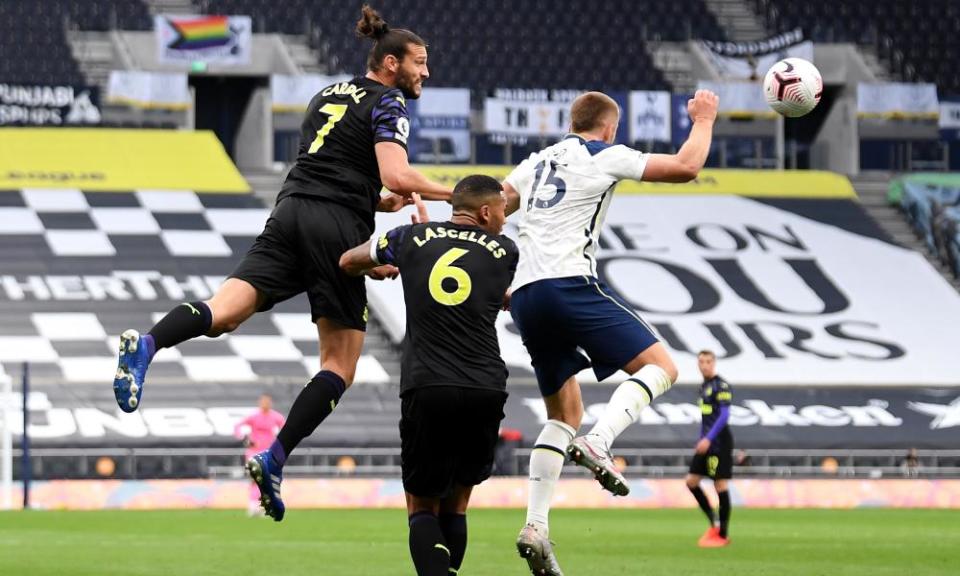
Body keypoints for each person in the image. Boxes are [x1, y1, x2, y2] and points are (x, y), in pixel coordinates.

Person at [111, 5, 453, 521]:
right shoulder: (390, 102)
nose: (425, 72)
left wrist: (375, 204)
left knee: (223, 312)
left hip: (291, 211)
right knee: (340, 364)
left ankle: (150, 342)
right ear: (389, 63)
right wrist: (459, 194)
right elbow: (398, 175)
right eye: (419, 63)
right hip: (334, 224)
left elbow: (338, 169)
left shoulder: (327, 93)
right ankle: (274, 457)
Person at [502, 89, 719, 575]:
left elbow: (494, 207)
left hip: (527, 298)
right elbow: (686, 167)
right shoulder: (603, 154)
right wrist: (703, 120)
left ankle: (536, 525)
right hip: (567, 283)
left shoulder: (534, 163)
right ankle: (600, 443)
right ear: (609, 127)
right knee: (662, 366)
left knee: (563, 413)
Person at [339, 175, 518, 576]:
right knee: (457, 504)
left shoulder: (408, 238)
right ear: (486, 212)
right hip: (485, 386)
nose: (505, 219)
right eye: (504, 211)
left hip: (429, 382)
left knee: (421, 507)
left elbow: (348, 261)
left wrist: (382, 265)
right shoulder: (506, 250)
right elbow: (489, 292)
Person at [685, 350, 734, 548]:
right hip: (706, 441)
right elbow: (707, 419)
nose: (704, 365)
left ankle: (722, 534)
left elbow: (724, 416)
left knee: (720, 485)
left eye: (707, 361)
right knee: (691, 482)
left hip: (720, 442)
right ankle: (713, 521)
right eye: (701, 362)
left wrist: (708, 439)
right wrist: (702, 439)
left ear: (713, 363)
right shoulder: (703, 387)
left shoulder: (721, 385)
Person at [233, 394, 285, 516]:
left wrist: (280, 442)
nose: (265, 404)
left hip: (268, 452)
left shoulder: (276, 416)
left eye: (267, 401)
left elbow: (286, 428)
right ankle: (253, 505)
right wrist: (243, 437)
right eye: (263, 401)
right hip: (254, 451)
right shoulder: (254, 416)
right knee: (255, 478)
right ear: (259, 403)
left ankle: (264, 505)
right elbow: (237, 426)